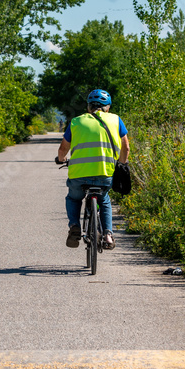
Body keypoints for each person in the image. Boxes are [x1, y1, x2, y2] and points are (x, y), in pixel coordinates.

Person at [54, 89, 130, 249]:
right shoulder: (116, 120)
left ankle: (74, 226)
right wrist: (122, 163)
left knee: (73, 199)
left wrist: (61, 160)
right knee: (104, 200)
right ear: (107, 107)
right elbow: (126, 147)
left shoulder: (76, 121)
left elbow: (63, 149)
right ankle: (108, 235)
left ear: (89, 107)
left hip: (78, 175)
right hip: (105, 174)